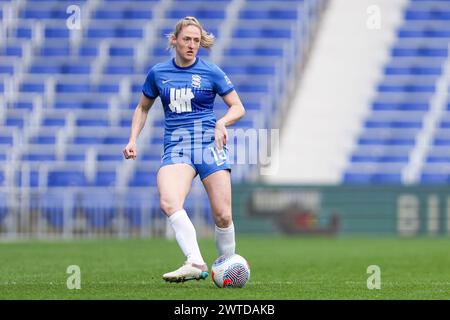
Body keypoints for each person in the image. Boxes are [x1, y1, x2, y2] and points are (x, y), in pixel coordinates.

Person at [123, 16, 246, 282]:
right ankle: (196, 261)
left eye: (196, 40)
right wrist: (133, 139)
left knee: (223, 215)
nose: (192, 45)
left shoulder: (211, 71)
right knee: (169, 201)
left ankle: (226, 268)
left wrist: (222, 122)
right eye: (187, 39)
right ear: (175, 40)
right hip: (177, 148)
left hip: (208, 145)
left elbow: (238, 106)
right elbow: (143, 107)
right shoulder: (158, 73)